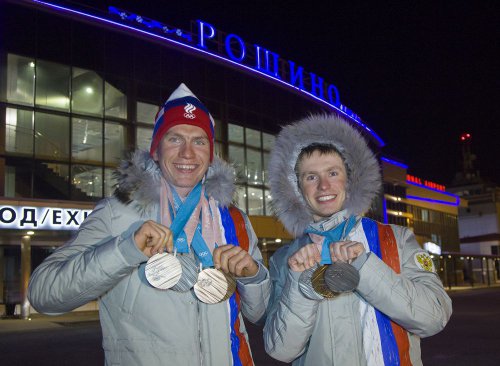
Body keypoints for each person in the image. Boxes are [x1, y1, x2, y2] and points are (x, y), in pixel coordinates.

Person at [28, 83, 270, 366]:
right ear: (156, 149)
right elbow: (43, 294)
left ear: (211, 153)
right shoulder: (117, 212)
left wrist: (253, 276)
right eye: (175, 139)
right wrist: (124, 251)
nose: (187, 154)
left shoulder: (234, 219)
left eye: (199, 141)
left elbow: (260, 314)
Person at [263, 114, 452, 365]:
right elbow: (280, 350)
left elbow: (434, 317)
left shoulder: (396, 240)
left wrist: (365, 266)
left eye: (333, 172)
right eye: (311, 177)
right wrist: (302, 286)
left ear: (350, 179)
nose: (323, 186)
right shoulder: (287, 260)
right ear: (296, 187)